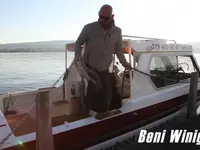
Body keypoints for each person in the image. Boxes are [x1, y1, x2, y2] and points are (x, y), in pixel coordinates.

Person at [74, 4, 132, 113]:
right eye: (101, 17)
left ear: (112, 16)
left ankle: (103, 113)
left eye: (106, 18)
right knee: (95, 85)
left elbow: (119, 51)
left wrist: (126, 65)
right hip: (90, 66)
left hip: (104, 67)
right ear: (98, 14)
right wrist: (77, 56)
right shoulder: (88, 28)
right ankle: (87, 112)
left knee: (107, 93)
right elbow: (78, 42)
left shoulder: (117, 32)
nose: (103, 20)